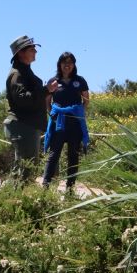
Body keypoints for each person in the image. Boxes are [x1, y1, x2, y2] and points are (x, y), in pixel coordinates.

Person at [5, 35, 59, 180]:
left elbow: (29, 96)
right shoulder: (17, 74)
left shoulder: (24, 71)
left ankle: (16, 199)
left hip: (26, 126)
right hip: (23, 126)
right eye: (32, 49)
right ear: (21, 53)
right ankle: (19, 200)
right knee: (25, 169)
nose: (35, 51)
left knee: (23, 168)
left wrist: (47, 90)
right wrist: (46, 89)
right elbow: (23, 99)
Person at [41, 51, 90, 190]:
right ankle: (45, 187)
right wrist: (52, 114)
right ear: (59, 64)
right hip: (58, 122)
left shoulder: (80, 81)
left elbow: (86, 100)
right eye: (64, 62)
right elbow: (47, 100)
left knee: (73, 156)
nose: (67, 65)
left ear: (74, 64)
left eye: (70, 62)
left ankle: (70, 190)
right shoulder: (53, 81)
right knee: (54, 154)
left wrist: (79, 112)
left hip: (75, 123)